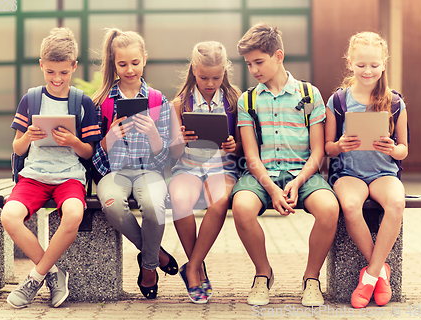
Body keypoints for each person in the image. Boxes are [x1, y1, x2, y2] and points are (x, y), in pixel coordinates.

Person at [231, 22, 340, 307]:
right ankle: (262, 274)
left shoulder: (308, 95)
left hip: (302, 173)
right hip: (261, 174)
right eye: (249, 64)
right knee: (242, 207)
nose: (253, 70)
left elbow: (318, 152)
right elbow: (251, 156)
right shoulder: (248, 100)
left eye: (259, 62)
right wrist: (272, 189)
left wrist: (297, 181)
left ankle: (311, 279)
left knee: (329, 209)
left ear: (278, 56)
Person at [2, 27, 102, 308]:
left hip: (69, 177)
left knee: (73, 214)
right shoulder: (31, 99)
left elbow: (89, 151)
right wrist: (27, 137)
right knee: (9, 216)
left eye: (64, 73)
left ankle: (34, 277)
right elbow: (17, 148)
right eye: (51, 73)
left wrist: (73, 141)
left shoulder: (82, 102)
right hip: (33, 176)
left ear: (74, 67)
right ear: (42, 66)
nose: (57, 79)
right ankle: (54, 274)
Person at [90, 28, 177, 300]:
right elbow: (90, 153)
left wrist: (153, 134)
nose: (130, 70)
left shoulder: (157, 100)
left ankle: (147, 267)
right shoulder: (101, 102)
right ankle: (156, 255)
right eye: (122, 64)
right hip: (113, 173)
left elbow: (164, 157)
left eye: (135, 63)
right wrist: (108, 140)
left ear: (145, 60)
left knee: (154, 206)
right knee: (112, 206)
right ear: (114, 64)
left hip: (147, 171)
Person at [324, 31, 408, 309]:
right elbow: (327, 148)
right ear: (350, 63)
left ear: (384, 64)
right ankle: (381, 272)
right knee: (349, 205)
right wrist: (341, 145)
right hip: (349, 174)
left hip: (384, 172)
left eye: (374, 65)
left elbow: (404, 149)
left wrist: (391, 148)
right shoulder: (338, 101)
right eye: (361, 65)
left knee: (396, 203)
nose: (367, 71)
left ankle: (370, 274)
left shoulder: (395, 102)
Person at [168, 41, 242, 303]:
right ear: (193, 70)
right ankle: (197, 268)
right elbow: (172, 153)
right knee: (179, 200)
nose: (210, 83)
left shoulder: (234, 101)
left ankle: (191, 267)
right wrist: (181, 140)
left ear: (225, 72)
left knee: (220, 201)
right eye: (203, 77)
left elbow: (243, 146)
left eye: (216, 77)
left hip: (222, 167)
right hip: (187, 165)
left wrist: (234, 144)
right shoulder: (179, 104)